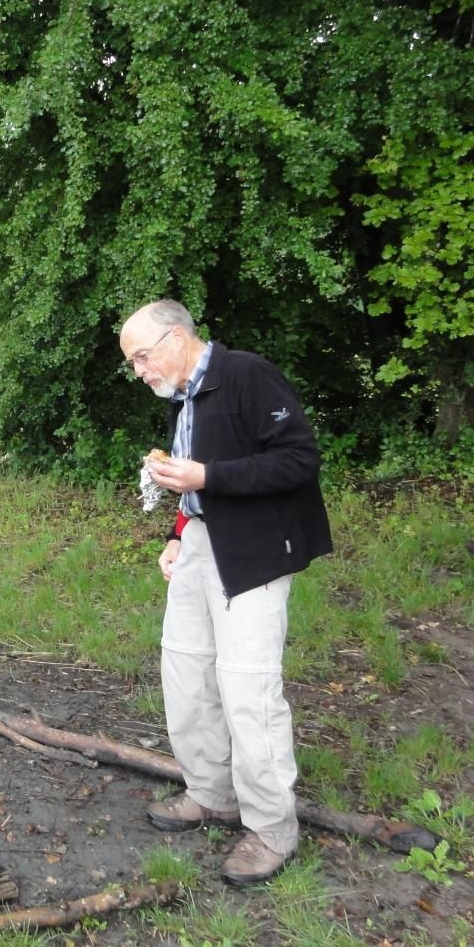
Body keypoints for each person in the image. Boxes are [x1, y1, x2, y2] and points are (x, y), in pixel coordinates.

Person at [118, 299, 332, 886]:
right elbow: (193, 480)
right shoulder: (184, 395)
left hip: (256, 549)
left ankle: (272, 829)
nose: (139, 371)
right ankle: (212, 794)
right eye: (132, 362)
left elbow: (299, 459)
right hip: (200, 543)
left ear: (174, 339)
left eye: (141, 357)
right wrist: (177, 531)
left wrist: (207, 477)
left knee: (248, 690)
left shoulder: (246, 375)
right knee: (186, 671)